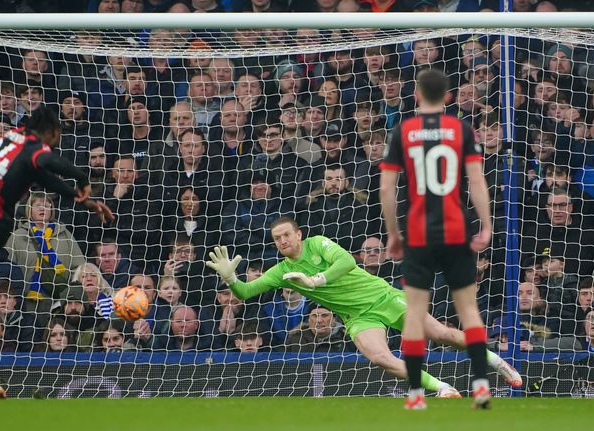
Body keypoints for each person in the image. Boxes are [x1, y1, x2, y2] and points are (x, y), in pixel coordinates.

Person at [205, 218, 521, 404]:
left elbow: (347, 262)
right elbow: (246, 293)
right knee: (380, 358)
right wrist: (231, 278)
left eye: (287, 234)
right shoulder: (281, 270)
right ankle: (443, 389)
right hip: (359, 318)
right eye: (277, 238)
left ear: (298, 234)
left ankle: (495, 361)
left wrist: (315, 280)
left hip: (382, 296)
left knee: (440, 334)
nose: (283, 240)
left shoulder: (317, 244)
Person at [0, 105, 113, 398]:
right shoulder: (33, 147)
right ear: (55, 133)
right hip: (0, 244)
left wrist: (78, 197)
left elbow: (44, 177)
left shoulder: (11, 140)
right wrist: (82, 179)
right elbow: (48, 162)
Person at [378, 69, 494, 410]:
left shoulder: (403, 131)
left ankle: (415, 394)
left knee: (415, 313)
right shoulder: (462, 129)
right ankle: (482, 388)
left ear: (416, 94)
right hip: (457, 231)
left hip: (418, 233)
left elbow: (387, 188)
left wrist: (393, 233)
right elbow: (476, 181)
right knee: (469, 310)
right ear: (448, 96)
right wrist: (485, 226)